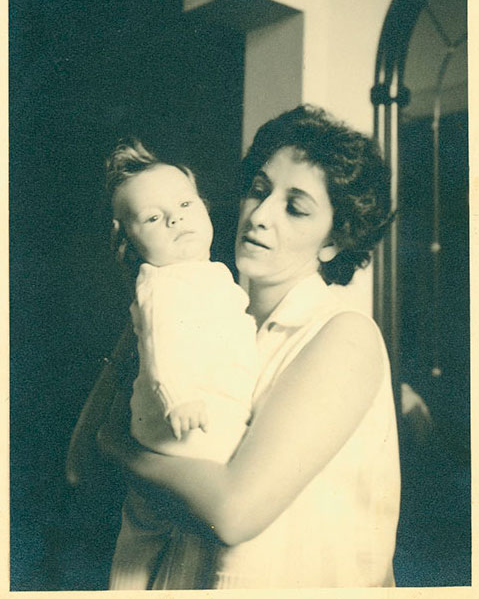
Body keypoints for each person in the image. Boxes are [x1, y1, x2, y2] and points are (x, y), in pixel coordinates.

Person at [79, 105, 401, 588]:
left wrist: (121, 449)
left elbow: (233, 513)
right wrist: (146, 310)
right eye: (259, 190)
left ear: (334, 240)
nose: (260, 215)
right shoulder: (209, 315)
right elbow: (80, 462)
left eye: (295, 207)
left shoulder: (344, 336)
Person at [69, 139, 258, 589]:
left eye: (185, 204)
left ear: (204, 207)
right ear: (128, 240)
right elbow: (162, 349)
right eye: (153, 218)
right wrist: (178, 398)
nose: (175, 219)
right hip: (173, 427)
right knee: (144, 536)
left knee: (150, 532)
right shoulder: (161, 284)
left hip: (196, 429)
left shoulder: (213, 275)